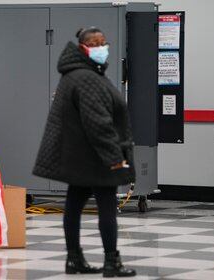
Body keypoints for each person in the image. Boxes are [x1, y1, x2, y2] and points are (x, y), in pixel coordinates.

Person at [33, 27, 136, 278]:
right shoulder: (87, 78)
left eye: (103, 42)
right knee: (107, 208)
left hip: (78, 156)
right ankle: (112, 262)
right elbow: (98, 124)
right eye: (95, 43)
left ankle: (74, 259)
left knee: (74, 205)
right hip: (96, 158)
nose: (101, 47)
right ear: (83, 48)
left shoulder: (76, 75)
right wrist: (114, 158)